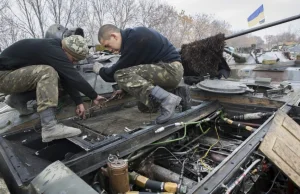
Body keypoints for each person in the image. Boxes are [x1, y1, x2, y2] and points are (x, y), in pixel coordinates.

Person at [0, 35, 106, 142]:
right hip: (3, 77)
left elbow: (65, 77)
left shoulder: (55, 47)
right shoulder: (52, 50)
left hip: (9, 75)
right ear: (67, 51)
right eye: (74, 59)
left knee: (55, 78)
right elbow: (73, 76)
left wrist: (78, 102)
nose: (73, 63)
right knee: (47, 73)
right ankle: (49, 127)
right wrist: (94, 96)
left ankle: (17, 100)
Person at [93, 24, 185, 124]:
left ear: (114, 36)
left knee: (119, 75)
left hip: (170, 70)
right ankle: (178, 94)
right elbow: (137, 71)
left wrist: (100, 70)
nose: (109, 50)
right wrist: (124, 90)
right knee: (145, 107)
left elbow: (114, 73)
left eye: (107, 45)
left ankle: (167, 99)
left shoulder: (134, 38)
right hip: (166, 71)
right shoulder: (133, 38)